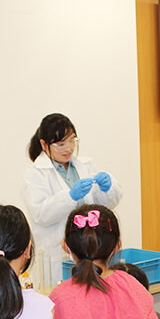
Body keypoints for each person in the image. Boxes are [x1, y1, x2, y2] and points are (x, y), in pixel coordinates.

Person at [21, 113, 122, 286]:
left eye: (72, 141)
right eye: (61, 144)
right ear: (44, 144)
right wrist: (70, 197)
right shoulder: (35, 174)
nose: (68, 148)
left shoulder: (86, 165)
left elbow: (106, 206)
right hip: (57, 255)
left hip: (91, 249)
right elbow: (41, 214)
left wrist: (107, 189)